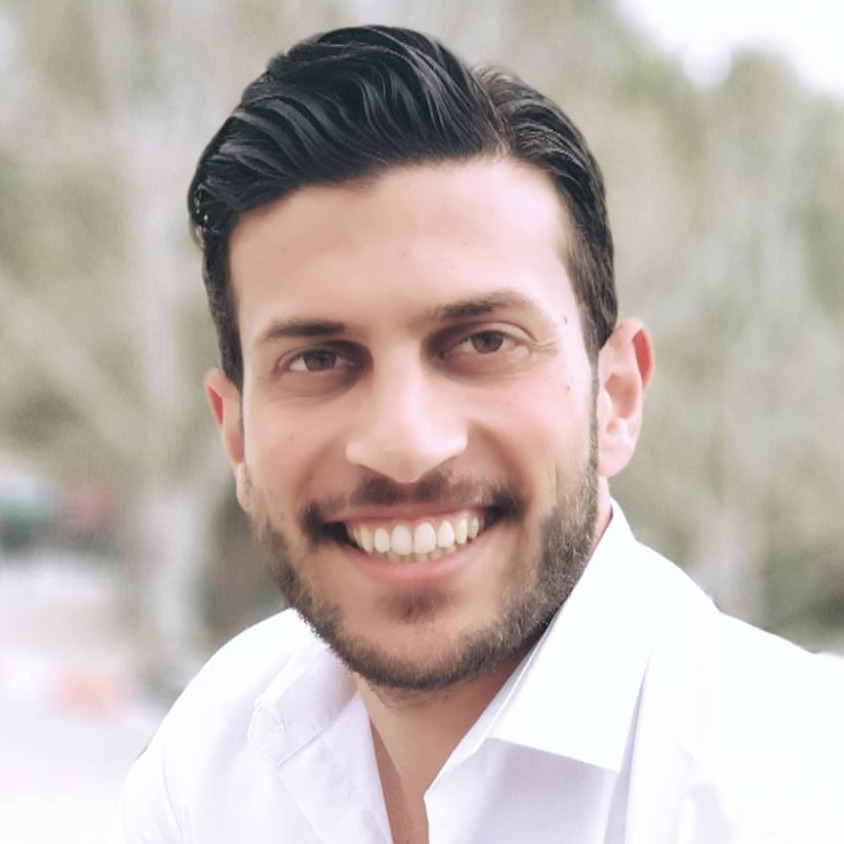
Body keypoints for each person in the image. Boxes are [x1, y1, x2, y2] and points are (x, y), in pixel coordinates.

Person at [118, 25, 844, 844]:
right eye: (318, 359)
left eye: (484, 341)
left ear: (615, 399)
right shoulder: (211, 761)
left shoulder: (795, 797)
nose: (404, 444)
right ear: (237, 435)